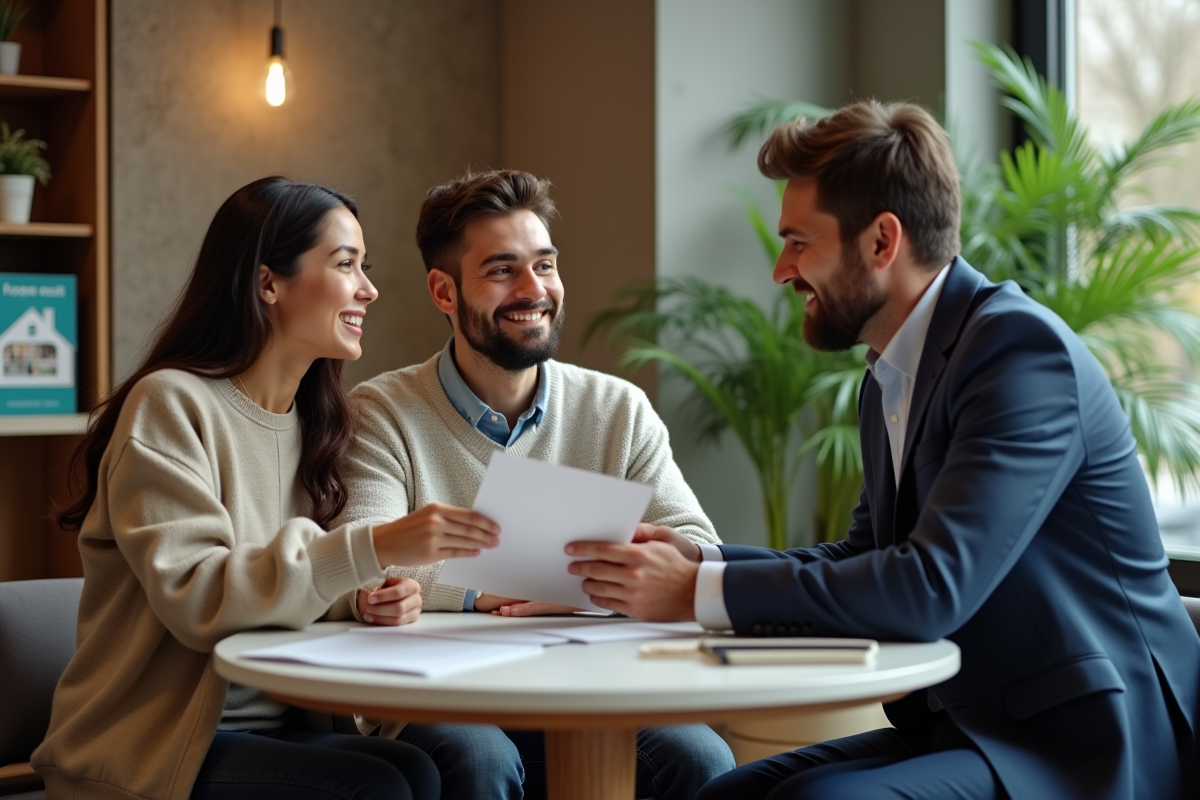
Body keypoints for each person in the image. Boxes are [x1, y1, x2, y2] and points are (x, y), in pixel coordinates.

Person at [564, 101, 1200, 800]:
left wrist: (696, 594)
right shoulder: (888, 376)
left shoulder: (1020, 353)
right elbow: (866, 556)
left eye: (799, 242)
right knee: (726, 794)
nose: (781, 271)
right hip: (973, 724)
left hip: (1090, 743)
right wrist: (702, 563)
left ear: (881, 241)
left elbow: (931, 587)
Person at [33, 177, 502, 800]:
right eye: (346, 264)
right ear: (268, 283)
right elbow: (201, 599)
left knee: (421, 768)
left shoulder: (318, 423)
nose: (369, 288)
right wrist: (371, 545)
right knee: (378, 785)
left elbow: (289, 586)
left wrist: (360, 603)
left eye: (366, 267)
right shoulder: (171, 405)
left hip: (267, 729)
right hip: (153, 749)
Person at [337, 169, 735, 799]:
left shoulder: (617, 408)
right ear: (444, 291)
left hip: (597, 687)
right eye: (502, 271)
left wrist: (552, 583)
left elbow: (691, 544)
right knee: (478, 760)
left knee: (700, 758)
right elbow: (366, 559)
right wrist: (516, 585)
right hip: (442, 696)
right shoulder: (380, 412)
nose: (534, 290)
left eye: (544, 265)